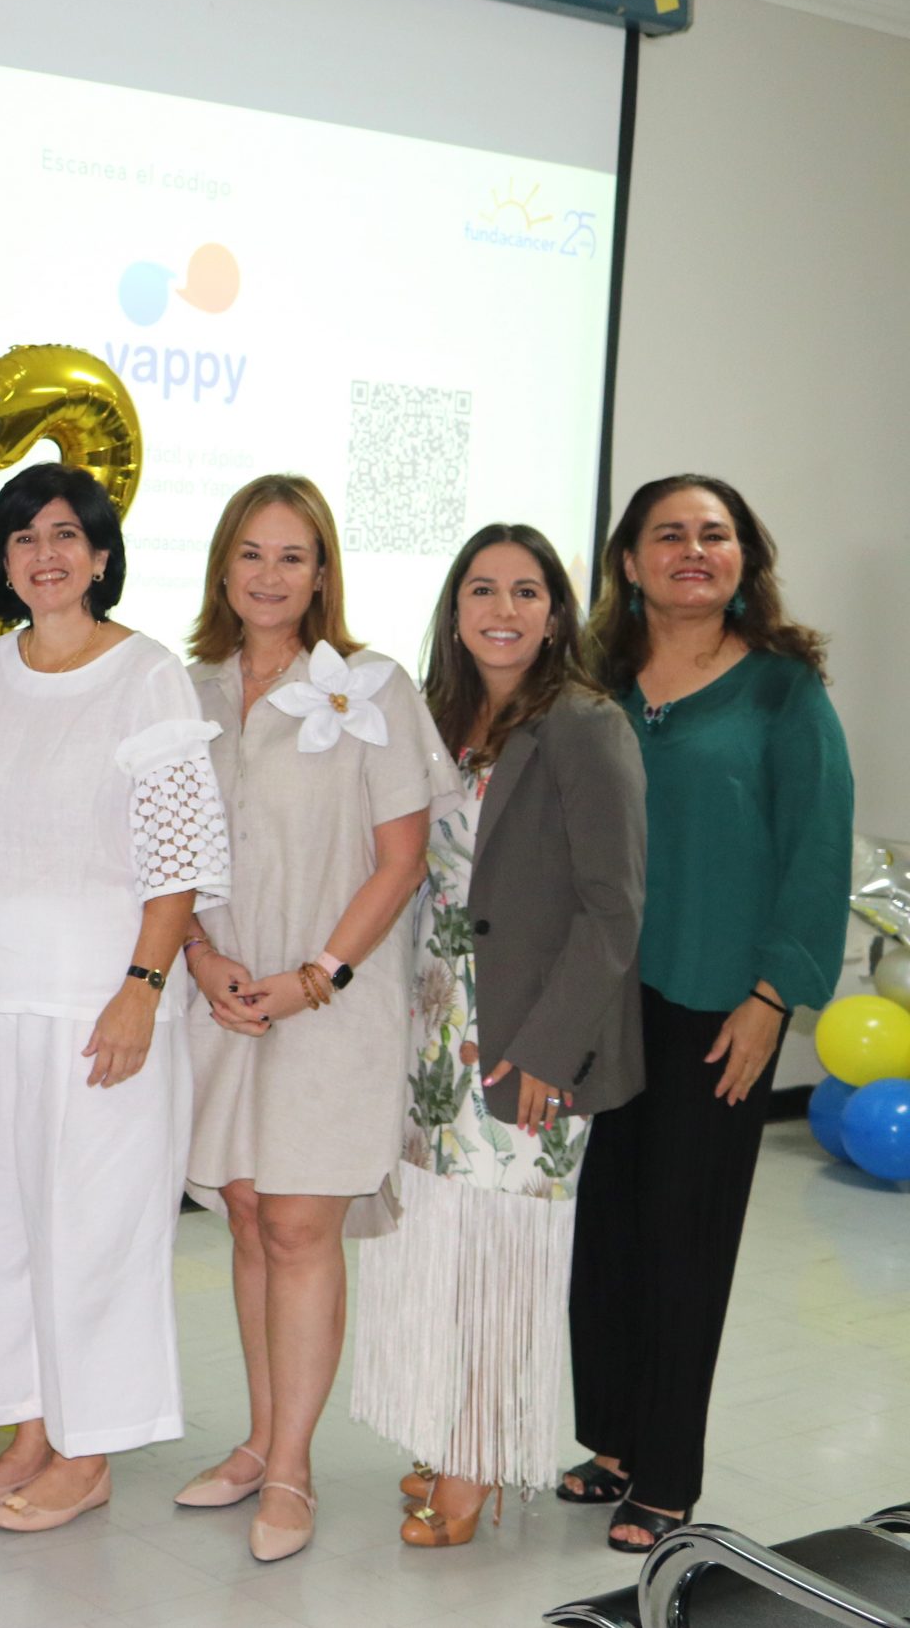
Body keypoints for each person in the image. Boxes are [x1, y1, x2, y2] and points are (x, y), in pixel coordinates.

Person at [0, 464, 230, 1533]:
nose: (43, 554)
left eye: (65, 535)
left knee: (96, 1236)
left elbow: (178, 854)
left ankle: (87, 1453)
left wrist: (144, 985)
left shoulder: (145, 674)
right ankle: (28, 1432)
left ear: (101, 556)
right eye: (22, 537)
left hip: (100, 1004)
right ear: (2, 562)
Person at [562, 474, 851, 1553]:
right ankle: (613, 1441)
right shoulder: (593, 683)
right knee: (607, 1233)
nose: (693, 549)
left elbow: (818, 848)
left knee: (685, 1238)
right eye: (669, 534)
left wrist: (774, 997)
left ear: (744, 559)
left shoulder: (783, 691)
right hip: (603, 1002)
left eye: (715, 534)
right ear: (629, 562)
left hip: (720, 1008)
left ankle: (668, 1473)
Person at [172, 474, 454, 1562]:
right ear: (223, 566)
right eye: (251, 552)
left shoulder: (372, 687)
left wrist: (317, 974)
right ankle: (255, 1442)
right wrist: (201, 959)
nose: (269, 574)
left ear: (323, 570)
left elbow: (401, 859)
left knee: (298, 1224)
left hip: (333, 995)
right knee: (247, 1214)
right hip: (227, 992)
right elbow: (169, 849)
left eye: (292, 555)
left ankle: (291, 1468)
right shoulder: (187, 691)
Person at [350, 523, 646, 1547]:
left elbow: (613, 910)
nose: (503, 609)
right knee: (444, 1242)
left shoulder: (585, 723)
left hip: (528, 1040)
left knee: (506, 1257)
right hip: (434, 1030)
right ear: (455, 609)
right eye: (482, 589)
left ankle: (479, 1457)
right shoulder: (437, 718)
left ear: (555, 613)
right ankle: (450, 1428)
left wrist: (549, 1050)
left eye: (526, 591)